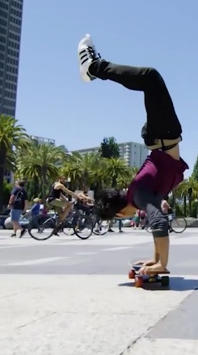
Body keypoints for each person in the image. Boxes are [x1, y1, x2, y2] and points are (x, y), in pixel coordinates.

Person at [78, 34, 189, 276]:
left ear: (119, 214)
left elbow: (158, 222)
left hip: (163, 136)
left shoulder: (139, 195)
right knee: (150, 80)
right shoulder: (138, 195)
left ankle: (94, 67)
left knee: (151, 78)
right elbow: (156, 221)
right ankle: (95, 69)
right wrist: (156, 259)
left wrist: (162, 265)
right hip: (159, 137)